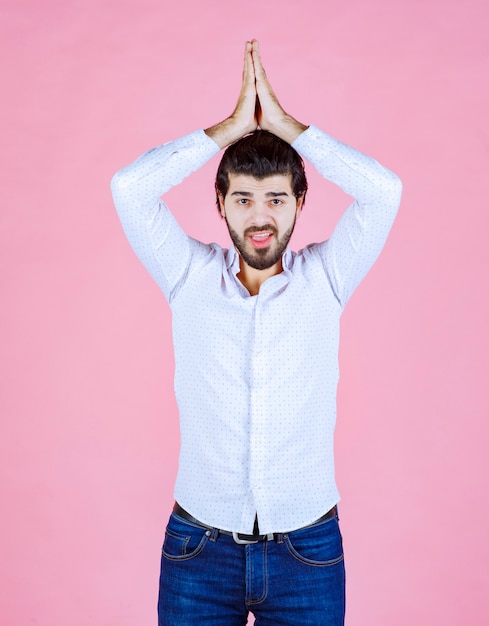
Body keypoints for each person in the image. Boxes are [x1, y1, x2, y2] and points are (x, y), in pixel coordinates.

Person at [111, 39, 402, 626]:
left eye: (275, 198)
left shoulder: (328, 278)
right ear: (220, 205)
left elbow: (384, 192)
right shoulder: (187, 276)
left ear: (300, 202)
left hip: (307, 552)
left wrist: (293, 131)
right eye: (243, 198)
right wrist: (228, 129)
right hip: (198, 549)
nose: (260, 216)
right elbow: (129, 189)